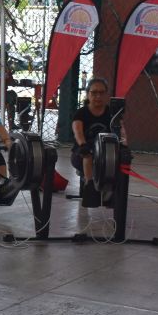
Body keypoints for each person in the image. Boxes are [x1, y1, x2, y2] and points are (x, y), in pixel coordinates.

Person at [70, 78, 126, 223]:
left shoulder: (112, 113)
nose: (98, 96)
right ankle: (90, 187)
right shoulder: (81, 113)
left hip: (106, 152)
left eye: (101, 93)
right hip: (84, 152)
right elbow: (78, 131)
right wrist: (83, 144)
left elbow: (122, 132)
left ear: (107, 95)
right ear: (88, 94)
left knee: (116, 161)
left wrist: (124, 145)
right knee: (88, 156)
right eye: (94, 93)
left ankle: (111, 193)